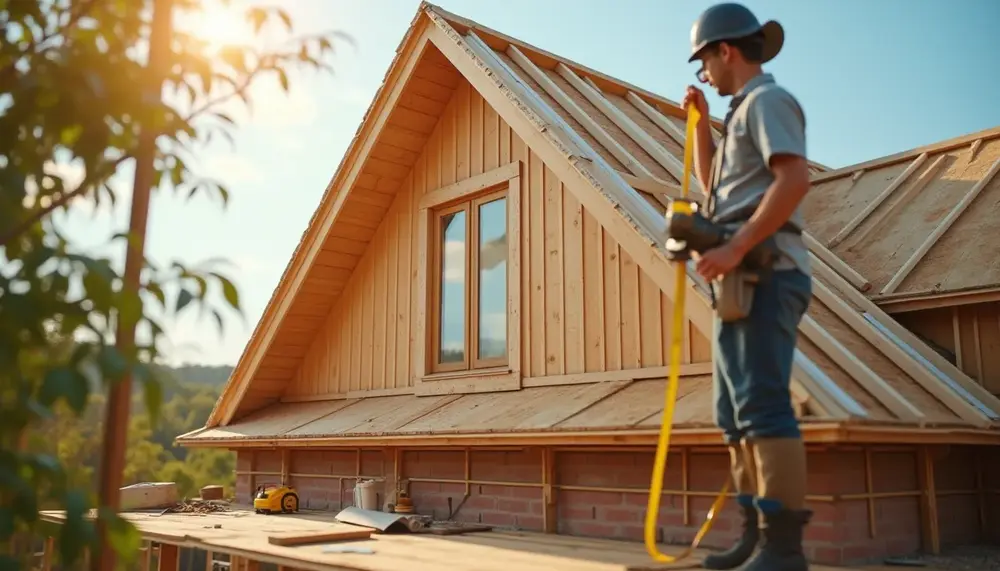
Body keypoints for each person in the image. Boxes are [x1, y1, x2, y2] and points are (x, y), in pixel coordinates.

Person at [680, 3, 814, 571]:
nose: (702, 72)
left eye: (703, 63)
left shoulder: (768, 102)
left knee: (763, 405)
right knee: (733, 413)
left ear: (724, 51)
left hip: (767, 271)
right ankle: (754, 535)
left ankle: (784, 550)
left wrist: (735, 246)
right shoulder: (738, 114)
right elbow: (716, 189)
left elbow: (794, 178)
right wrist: (702, 124)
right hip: (739, 280)